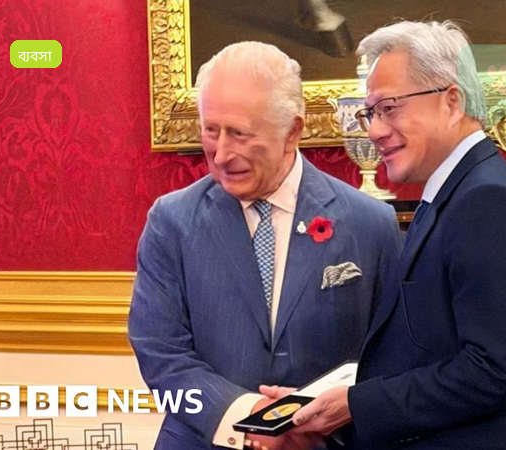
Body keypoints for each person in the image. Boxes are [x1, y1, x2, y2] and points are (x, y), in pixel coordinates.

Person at [269, 20, 506, 449]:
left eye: (389, 108)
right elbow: (431, 350)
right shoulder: (460, 192)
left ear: (451, 102)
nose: (374, 130)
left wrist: (357, 406)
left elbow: (494, 371)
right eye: (370, 113)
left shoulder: (487, 201)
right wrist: (329, 404)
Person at [128, 41, 401, 449]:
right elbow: (160, 353)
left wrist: (321, 421)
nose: (221, 154)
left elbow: (394, 359)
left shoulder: (370, 224)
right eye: (211, 130)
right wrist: (252, 418)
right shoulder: (172, 221)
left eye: (239, 133)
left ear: (292, 131)